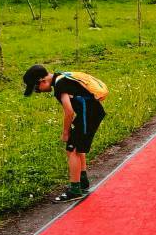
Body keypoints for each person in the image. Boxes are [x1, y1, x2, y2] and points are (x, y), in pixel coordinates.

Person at [23, 64, 109, 201]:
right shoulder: (61, 77)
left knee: (72, 149)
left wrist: (65, 132)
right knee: (76, 147)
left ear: (42, 81)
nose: (38, 91)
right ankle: (82, 181)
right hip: (90, 113)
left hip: (88, 115)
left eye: (36, 88)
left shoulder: (60, 85)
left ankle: (75, 190)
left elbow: (69, 111)